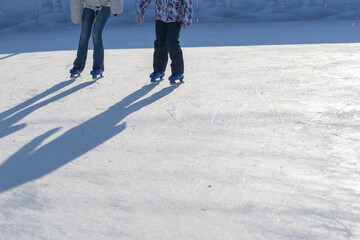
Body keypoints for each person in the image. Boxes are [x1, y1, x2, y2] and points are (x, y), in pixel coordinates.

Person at [136, 0, 193, 84]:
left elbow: (188, 2)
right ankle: (159, 70)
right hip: (160, 15)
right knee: (160, 42)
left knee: (172, 43)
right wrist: (140, 11)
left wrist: (187, 19)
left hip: (175, 17)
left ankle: (178, 72)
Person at [70, 0, 123, 79]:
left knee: (96, 34)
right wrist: (76, 17)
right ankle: (78, 66)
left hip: (105, 6)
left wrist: (116, 7)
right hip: (89, 6)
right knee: (84, 35)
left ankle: (98, 67)